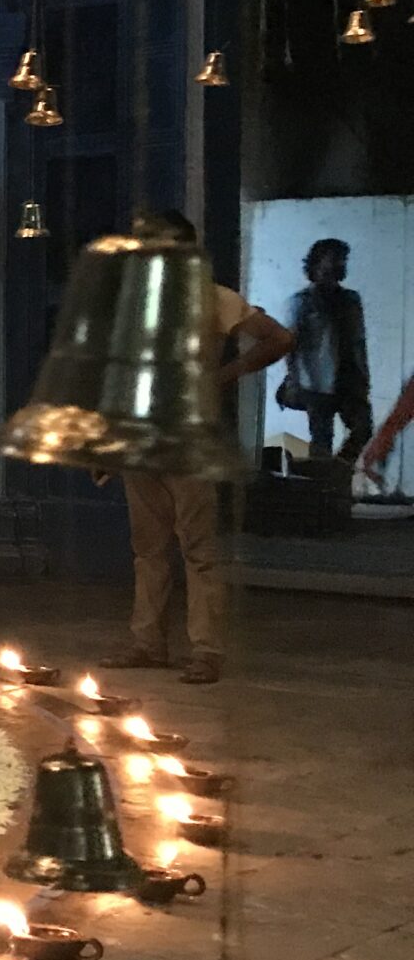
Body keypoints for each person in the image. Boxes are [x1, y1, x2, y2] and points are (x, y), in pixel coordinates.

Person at [102, 209, 294, 686]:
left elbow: (278, 338)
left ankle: (206, 650)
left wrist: (223, 376)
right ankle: (148, 642)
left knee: (198, 548)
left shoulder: (213, 298)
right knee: (148, 548)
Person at [277, 238, 371, 468]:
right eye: (334, 259)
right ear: (317, 264)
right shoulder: (302, 302)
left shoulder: (351, 300)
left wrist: (363, 376)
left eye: (342, 260)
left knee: (363, 429)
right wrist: (294, 380)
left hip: (349, 378)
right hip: (316, 381)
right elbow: (290, 344)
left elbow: (358, 341)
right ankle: (321, 480)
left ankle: (335, 471)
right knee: (322, 440)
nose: (339, 264)